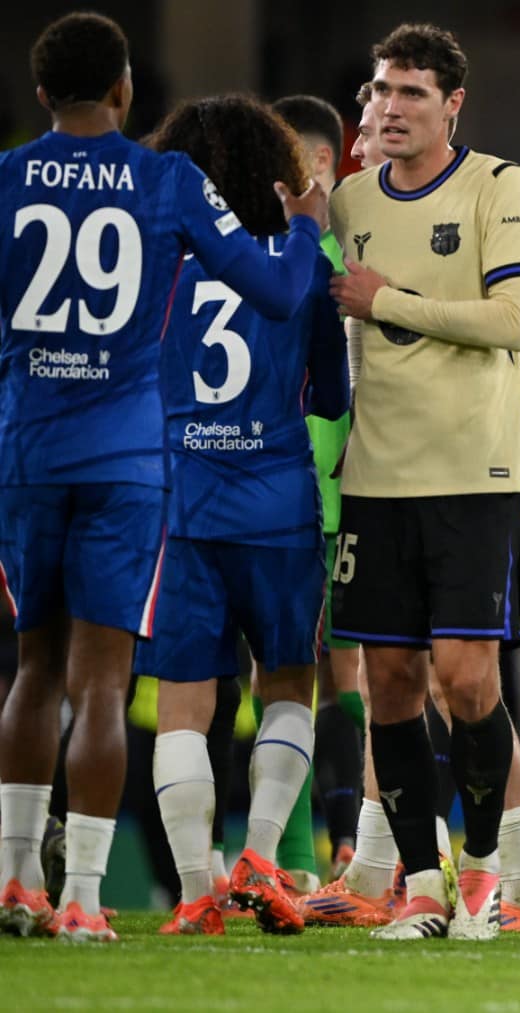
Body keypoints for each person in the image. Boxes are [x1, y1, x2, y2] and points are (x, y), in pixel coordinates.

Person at [0, 11, 327, 943]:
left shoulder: (7, 177)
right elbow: (277, 293)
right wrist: (306, 227)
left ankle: (15, 880)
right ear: (125, 88)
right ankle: (81, 898)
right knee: (103, 684)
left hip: (28, 451)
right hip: (130, 462)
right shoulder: (167, 182)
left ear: (40, 93)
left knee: (33, 669)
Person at [325, 22, 520, 942]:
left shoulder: (497, 185)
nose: (390, 108)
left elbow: (512, 320)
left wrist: (386, 299)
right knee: (388, 682)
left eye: (412, 93)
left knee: (467, 681)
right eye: (381, 90)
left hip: (473, 470)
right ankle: (423, 888)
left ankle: (484, 875)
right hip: (376, 475)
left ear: (452, 104)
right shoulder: (350, 200)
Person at [138, 95, 349, 937]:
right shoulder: (301, 268)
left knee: (184, 705)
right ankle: (261, 856)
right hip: (280, 510)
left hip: (185, 507)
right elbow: (330, 396)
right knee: (289, 684)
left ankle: (198, 891)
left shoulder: (159, 265)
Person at [273, 93, 364, 879]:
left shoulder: (348, 259)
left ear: (322, 165)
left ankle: (330, 851)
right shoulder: (295, 253)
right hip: (300, 497)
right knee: (314, 673)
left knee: (326, 675)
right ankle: (310, 852)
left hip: (323, 497)